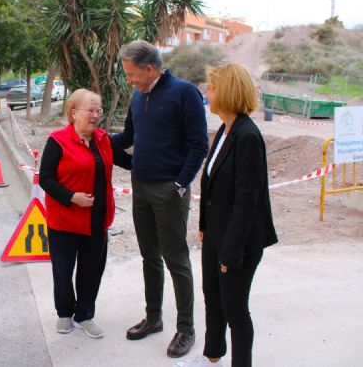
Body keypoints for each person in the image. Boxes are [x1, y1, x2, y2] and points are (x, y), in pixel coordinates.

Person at [175, 63, 278, 367]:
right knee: (213, 301)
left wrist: (230, 252)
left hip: (239, 242)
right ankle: (211, 358)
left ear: (226, 92)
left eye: (211, 87)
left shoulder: (247, 136)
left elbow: (247, 201)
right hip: (217, 235)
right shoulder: (225, 128)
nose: (207, 92)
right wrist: (205, 227)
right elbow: (212, 185)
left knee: (235, 310)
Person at [112, 40, 208, 358]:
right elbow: (128, 138)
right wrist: (96, 139)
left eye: (132, 74)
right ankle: (153, 318)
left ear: (149, 68)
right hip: (141, 187)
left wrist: (180, 184)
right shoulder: (138, 96)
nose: (130, 80)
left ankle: (186, 330)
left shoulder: (184, 93)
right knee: (149, 257)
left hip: (169, 191)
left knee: (175, 260)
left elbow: (198, 146)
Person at [39, 89, 131, 339]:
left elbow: (130, 162)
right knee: (63, 271)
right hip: (65, 221)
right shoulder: (57, 141)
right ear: (73, 112)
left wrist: (164, 162)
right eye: (90, 110)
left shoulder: (103, 140)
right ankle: (65, 313)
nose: (95, 115)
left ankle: (84, 315)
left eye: (98, 110)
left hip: (97, 221)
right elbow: (45, 179)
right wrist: (72, 197)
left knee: (91, 271)